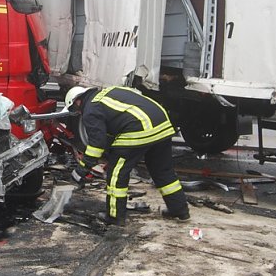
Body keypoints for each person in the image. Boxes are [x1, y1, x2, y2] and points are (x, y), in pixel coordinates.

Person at [65, 85, 190, 226]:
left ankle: (114, 217)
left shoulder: (90, 109)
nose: (78, 113)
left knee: (116, 175)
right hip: (162, 124)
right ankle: (180, 210)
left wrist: (81, 170)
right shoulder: (107, 93)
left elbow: (96, 146)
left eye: (75, 110)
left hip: (139, 128)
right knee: (163, 170)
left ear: (77, 101)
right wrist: (111, 155)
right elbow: (114, 129)